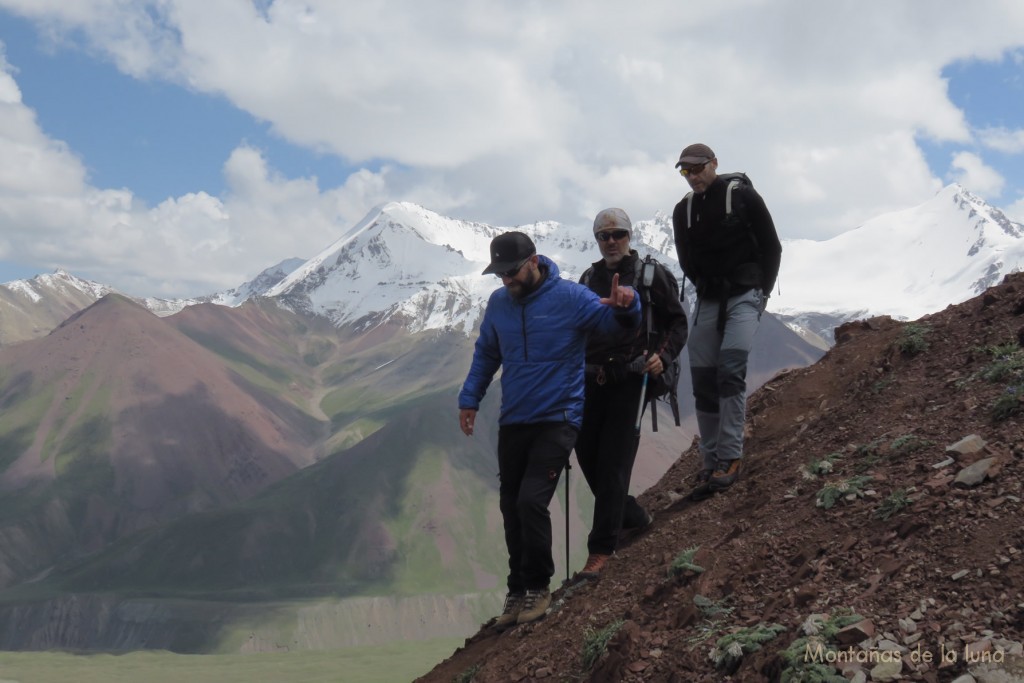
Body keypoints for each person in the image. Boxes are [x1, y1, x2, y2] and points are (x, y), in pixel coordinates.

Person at [458, 230, 641, 628]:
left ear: (534, 261)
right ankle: (517, 590)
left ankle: (538, 586)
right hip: (514, 419)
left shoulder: (570, 298)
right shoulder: (499, 304)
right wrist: (469, 398)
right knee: (510, 506)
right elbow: (487, 352)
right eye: (500, 274)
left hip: (559, 418)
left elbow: (617, 326)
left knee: (530, 501)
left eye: (511, 271)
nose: (506, 280)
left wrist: (629, 305)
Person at [574, 208, 689, 578]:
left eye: (618, 234)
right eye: (603, 236)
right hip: (592, 380)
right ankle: (634, 515)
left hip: (633, 379)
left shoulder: (651, 276)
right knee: (587, 455)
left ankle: (601, 549)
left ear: (629, 236)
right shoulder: (588, 279)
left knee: (614, 461)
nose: (611, 241)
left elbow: (677, 321)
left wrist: (663, 356)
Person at [671, 143, 782, 494]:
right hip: (708, 297)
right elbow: (685, 258)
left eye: (698, 168)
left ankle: (730, 456)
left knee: (731, 368)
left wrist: (762, 292)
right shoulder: (683, 210)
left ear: (714, 164)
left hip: (745, 294)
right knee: (703, 378)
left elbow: (772, 246)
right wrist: (706, 285)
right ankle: (710, 460)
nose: (693, 176)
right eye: (685, 171)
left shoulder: (744, 198)